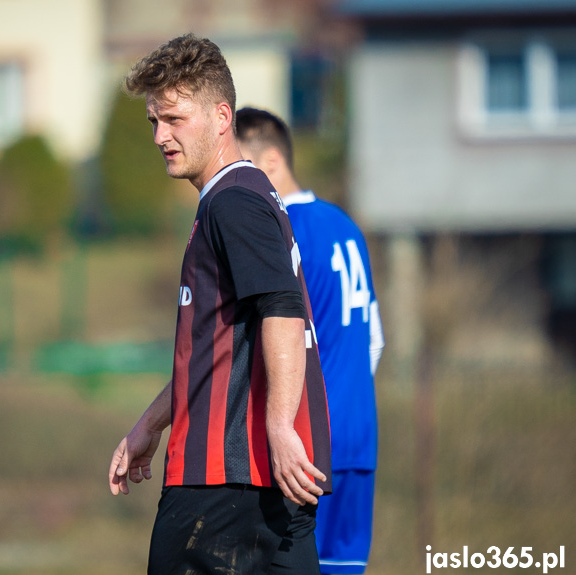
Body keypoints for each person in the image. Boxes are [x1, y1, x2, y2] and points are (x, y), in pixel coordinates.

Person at [107, 34, 331, 574]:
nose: (161, 136)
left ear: (222, 116)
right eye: (153, 122)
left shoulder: (233, 202)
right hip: (250, 478)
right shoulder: (238, 198)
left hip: (228, 481)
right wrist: (152, 424)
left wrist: (278, 425)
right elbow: (216, 349)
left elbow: (282, 308)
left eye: (175, 119)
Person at [236, 107, 385, 575]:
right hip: (360, 438)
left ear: (272, 162)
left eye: (241, 167)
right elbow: (375, 340)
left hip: (307, 444)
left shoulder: (283, 230)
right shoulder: (346, 225)